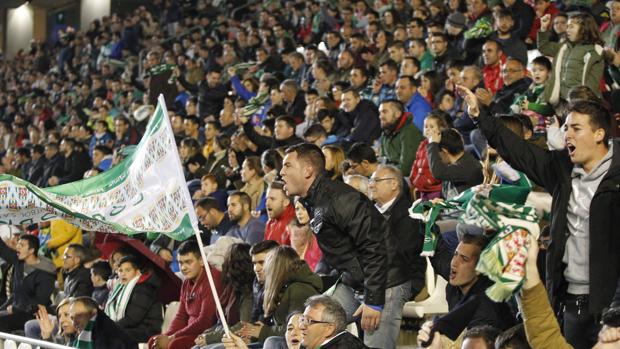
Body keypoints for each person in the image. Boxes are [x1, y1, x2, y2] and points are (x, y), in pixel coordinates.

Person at [460, 84, 620, 348]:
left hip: (612, 307)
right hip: (572, 302)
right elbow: (519, 151)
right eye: (566, 127)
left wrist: (616, 312)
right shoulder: (561, 168)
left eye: (576, 128)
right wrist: (481, 116)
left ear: (600, 133)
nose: (567, 134)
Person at [280, 143, 388, 348]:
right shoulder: (313, 200)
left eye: (287, 166)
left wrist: (374, 299)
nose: (281, 172)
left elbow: (374, 247)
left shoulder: (339, 198)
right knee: (307, 327)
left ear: (308, 170)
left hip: (386, 280)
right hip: (354, 281)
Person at [367, 165, 426, 347]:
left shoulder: (409, 214)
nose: (371, 185)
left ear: (394, 184)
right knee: (328, 304)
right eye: (370, 181)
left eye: (376, 180)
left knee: (382, 296)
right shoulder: (368, 211)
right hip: (369, 278)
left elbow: (400, 257)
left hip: (402, 278)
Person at [238, 246, 321, 344]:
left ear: (277, 269)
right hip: (277, 341)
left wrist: (264, 332)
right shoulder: (283, 288)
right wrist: (253, 334)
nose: (263, 270)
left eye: (267, 266)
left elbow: (298, 330)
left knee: (271, 342)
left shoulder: (300, 290)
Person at [147, 240, 222, 349]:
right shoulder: (187, 282)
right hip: (189, 331)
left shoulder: (213, 278)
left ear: (201, 261)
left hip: (207, 333)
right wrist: (167, 335)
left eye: (188, 262)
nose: (183, 268)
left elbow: (205, 321)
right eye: (180, 263)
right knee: (153, 341)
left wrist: (172, 338)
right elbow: (181, 316)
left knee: (173, 344)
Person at [194, 243, 255, 348]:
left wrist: (210, 338)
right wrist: (206, 334)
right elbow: (220, 323)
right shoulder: (230, 289)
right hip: (223, 335)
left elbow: (243, 325)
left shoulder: (248, 292)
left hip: (238, 339)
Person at [537, 12, 604, 103]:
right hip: (562, 102)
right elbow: (544, 47)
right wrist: (544, 28)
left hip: (581, 103)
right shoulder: (564, 47)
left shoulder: (595, 51)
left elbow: (592, 83)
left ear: (584, 28)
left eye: (571, 26)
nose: (567, 30)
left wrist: (583, 103)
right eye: (567, 26)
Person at [0, 234, 56, 332]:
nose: (17, 246)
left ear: (31, 251)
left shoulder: (46, 274)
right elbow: (2, 249)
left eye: (21, 245)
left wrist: (16, 309)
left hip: (32, 315)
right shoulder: (19, 262)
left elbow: (39, 304)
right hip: (15, 310)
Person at [104, 255, 162, 343]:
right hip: (131, 329)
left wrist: (111, 327)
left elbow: (132, 319)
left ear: (138, 272)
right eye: (120, 270)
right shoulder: (119, 288)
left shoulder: (144, 289)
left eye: (128, 270)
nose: (123, 274)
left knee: (110, 335)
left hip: (146, 331)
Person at [426, 128, 483, 200]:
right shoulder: (455, 164)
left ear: (444, 151)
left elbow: (438, 173)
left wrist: (432, 145)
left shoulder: (468, 166)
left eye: (437, 153)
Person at [69, 296, 137, 349]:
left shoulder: (111, 338)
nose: (74, 322)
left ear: (93, 313)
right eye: (72, 318)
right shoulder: (81, 335)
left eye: (79, 316)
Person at [378, 99, 424, 176]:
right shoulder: (385, 132)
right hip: (391, 174)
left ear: (398, 114)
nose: (380, 116)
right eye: (380, 113)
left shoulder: (409, 132)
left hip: (410, 178)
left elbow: (406, 169)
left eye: (385, 112)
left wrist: (384, 172)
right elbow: (382, 160)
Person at [409, 111, 448, 200]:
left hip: (435, 189)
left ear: (440, 129)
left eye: (431, 127)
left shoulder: (440, 146)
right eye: (426, 126)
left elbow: (439, 166)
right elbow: (416, 163)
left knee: (433, 210)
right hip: (422, 188)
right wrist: (413, 177)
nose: (427, 129)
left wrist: (430, 181)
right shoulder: (422, 144)